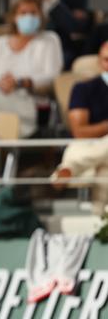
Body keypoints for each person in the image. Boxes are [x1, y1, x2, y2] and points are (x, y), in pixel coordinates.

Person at [0, 0, 63, 138]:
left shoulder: (49, 40)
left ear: (41, 15)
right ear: (14, 17)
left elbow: (52, 77)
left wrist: (19, 82)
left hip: (30, 103)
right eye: (23, 13)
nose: (28, 17)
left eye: (33, 13)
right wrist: (3, 84)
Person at [52, 41, 108, 211]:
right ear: (100, 61)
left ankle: (69, 167)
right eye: (107, 59)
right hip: (90, 145)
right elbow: (80, 132)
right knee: (105, 169)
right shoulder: (83, 89)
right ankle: (101, 220)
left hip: (86, 152)